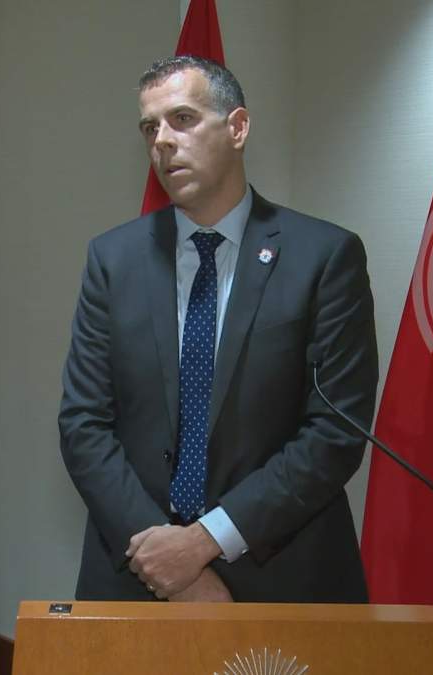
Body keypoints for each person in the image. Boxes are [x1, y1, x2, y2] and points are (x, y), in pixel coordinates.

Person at [59, 56, 378, 604]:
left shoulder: (323, 257)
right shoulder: (113, 260)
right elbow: (84, 423)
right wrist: (165, 558)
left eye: (182, 119)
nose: (162, 141)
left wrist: (206, 542)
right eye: (149, 127)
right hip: (138, 572)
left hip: (280, 574)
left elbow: (334, 432)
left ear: (237, 128)